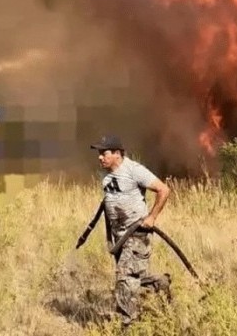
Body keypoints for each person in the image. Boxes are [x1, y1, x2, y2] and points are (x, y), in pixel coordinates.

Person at [89, 134, 172, 327]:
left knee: (124, 279)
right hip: (120, 236)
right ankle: (161, 283)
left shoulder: (134, 170)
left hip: (136, 234)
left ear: (117, 153)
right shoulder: (106, 174)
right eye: (99, 153)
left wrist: (151, 217)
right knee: (136, 277)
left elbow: (164, 190)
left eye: (104, 153)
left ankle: (129, 325)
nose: (100, 157)